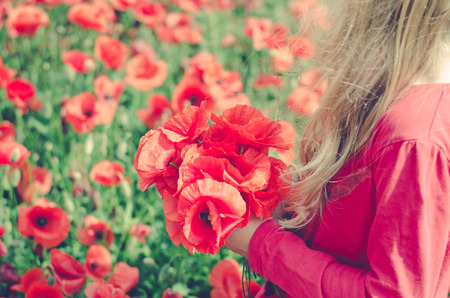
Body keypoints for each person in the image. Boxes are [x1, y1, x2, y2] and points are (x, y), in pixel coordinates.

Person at [225, 0, 450, 297]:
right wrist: (276, 196)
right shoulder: (398, 99)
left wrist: (262, 244)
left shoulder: (413, 139)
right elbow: (351, 218)